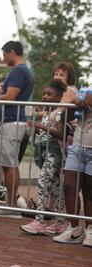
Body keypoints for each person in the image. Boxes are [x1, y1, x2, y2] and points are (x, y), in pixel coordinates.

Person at [0, 41, 34, 218]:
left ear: (12, 52)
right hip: (13, 122)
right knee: (8, 163)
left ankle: (11, 206)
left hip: (12, 122)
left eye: (5, 54)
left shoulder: (18, 71)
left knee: (9, 164)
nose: (4, 57)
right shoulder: (24, 71)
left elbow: (10, 97)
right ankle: (11, 203)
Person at [20, 80, 70, 235]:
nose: (44, 97)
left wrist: (41, 126)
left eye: (49, 94)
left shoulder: (60, 112)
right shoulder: (48, 113)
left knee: (42, 183)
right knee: (55, 188)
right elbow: (46, 133)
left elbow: (61, 134)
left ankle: (40, 220)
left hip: (54, 155)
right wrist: (36, 129)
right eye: (44, 94)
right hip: (46, 153)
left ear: (58, 97)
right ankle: (61, 223)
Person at [53, 87, 92, 246]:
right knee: (69, 187)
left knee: (90, 192)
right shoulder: (84, 91)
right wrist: (74, 103)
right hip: (77, 147)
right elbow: (66, 118)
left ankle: (90, 230)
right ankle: (74, 230)